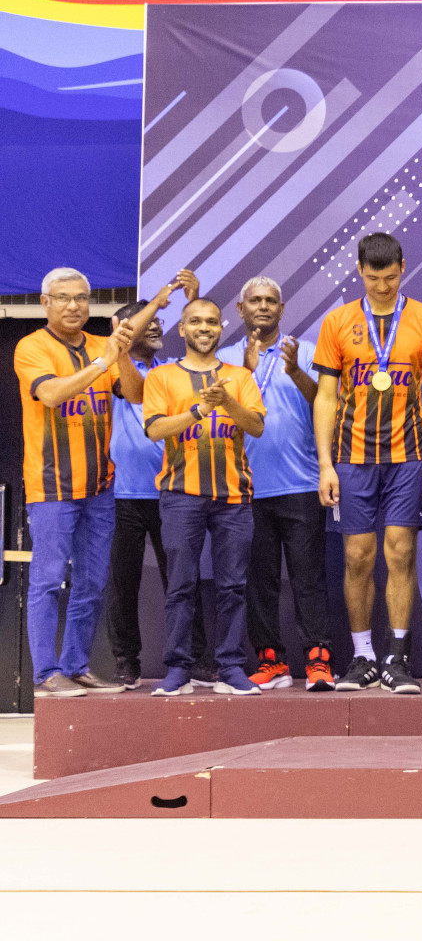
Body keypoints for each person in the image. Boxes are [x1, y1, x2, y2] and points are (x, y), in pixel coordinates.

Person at [16, 268, 181, 697]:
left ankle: (77, 664)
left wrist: (121, 356)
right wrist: (104, 361)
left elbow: (137, 393)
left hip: (101, 487)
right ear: (45, 302)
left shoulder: (98, 346)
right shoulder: (30, 347)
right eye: (63, 297)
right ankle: (46, 673)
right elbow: (51, 395)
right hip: (52, 486)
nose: (73, 305)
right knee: (49, 581)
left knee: (91, 583)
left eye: (81, 298)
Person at [313, 232, 422, 693]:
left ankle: (398, 658)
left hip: (408, 456)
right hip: (351, 458)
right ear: (359, 272)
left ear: (404, 268)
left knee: (401, 553)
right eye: (373, 278)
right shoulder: (338, 321)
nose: (383, 286)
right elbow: (326, 396)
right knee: (356, 557)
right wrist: (326, 465)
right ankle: (363, 656)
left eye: (390, 277)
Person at [142, 298, 267, 697]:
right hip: (181, 495)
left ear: (220, 328)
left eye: (212, 322)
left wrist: (226, 402)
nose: (204, 327)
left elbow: (257, 427)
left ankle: (230, 666)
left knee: (233, 586)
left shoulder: (239, 377)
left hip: (233, 495)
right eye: (195, 321)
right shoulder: (161, 377)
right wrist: (198, 411)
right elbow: (155, 430)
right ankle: (179, 669)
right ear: (182, 329)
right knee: (180, 584)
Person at [217, 276, 333, 690]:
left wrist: (297, 371)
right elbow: (219, 414)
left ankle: (318, 660)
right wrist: (245, 371)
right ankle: (271, 662)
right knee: (258, 580)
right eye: (255, 300)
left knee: (309, 577)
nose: (263, 306)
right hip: (244, 487)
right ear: (240, 309)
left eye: (271, 301)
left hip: (301, 484)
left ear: (282, 310)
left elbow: (326, 402)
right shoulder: (225, 358)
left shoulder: (307, 351)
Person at [105, 296, 215, 689]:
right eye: (142, 322)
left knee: (182, 580)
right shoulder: (110, 367)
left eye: (157, 322)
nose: (154, 326)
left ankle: (198, 658)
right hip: (122, 496)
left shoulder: (171, 370)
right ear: (122, 329)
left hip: (172, 492)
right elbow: (131, 389)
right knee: (123, 583)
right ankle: (125, 661)